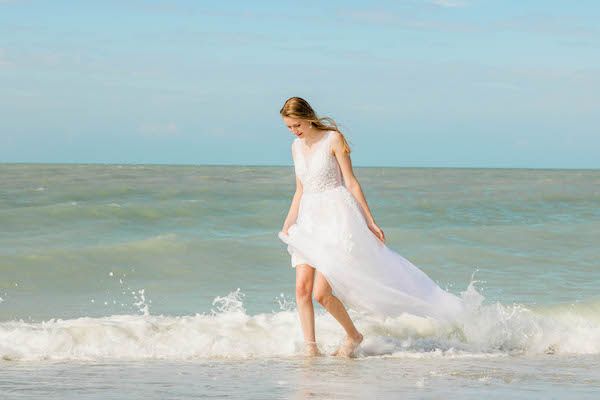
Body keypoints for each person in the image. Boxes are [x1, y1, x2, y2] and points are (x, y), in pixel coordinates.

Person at [278, 97, 464, 358]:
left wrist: (369, 220)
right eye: (289, 127)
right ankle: (311, 350)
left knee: (321, 293)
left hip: (336, 218)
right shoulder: (295, 147)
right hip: (309, 220)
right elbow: (300, 190)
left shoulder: (333, 139)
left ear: (308, 117)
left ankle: (353, 336)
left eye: (297, 125)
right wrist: (288, 223)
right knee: (302, 289)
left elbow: (351, 183)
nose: (294, 131)